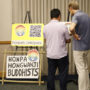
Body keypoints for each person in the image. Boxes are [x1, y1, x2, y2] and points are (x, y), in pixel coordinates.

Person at [43, 9, 71, 90]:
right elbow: (68, 40)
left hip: (50, 55)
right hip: (62, 55)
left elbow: (46, 39)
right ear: (59, 16)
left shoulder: (45, 27)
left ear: (51, 16)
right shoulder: (63, 26)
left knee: (51, 75)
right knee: (63, 75)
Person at [68, 1, 90, 90]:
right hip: (87, 46)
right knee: (85, 69)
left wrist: (74, 35)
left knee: (81, 70)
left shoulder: (76, 16)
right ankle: (87, 87)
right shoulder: (86, 15)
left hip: (78, 48)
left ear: (71, 8)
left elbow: (71, 28)